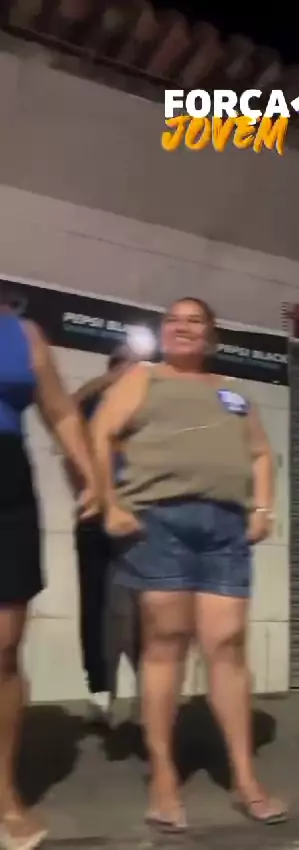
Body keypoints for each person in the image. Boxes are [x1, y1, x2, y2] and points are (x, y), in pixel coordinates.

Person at [90, 296, 286, 830]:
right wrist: (109, 503)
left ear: (211, 336)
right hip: (160, 522)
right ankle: (163, 776)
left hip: (225, 527)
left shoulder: (235, 392)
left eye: (194, 321)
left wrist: (263, 508)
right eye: (173, 320)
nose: (182, 327)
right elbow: (101, 432)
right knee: (166, 644)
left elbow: (260, 453)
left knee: (228, 645)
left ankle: (245, 777)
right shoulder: (143, 376)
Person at [0, 293, 98, 848]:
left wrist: (92, 478)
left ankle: (3, 792)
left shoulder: (23, 334)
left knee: (3, 648)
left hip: (7, 487)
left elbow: (60, 411)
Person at [70, 347, 134, 722]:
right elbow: (67, 408)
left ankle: (150, 690)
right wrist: (109, 379)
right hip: (95, 517)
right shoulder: (92, 401)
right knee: (93, 601)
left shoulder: (145, 405)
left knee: (145, 606)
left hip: (137, 516)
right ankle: (99, 686)